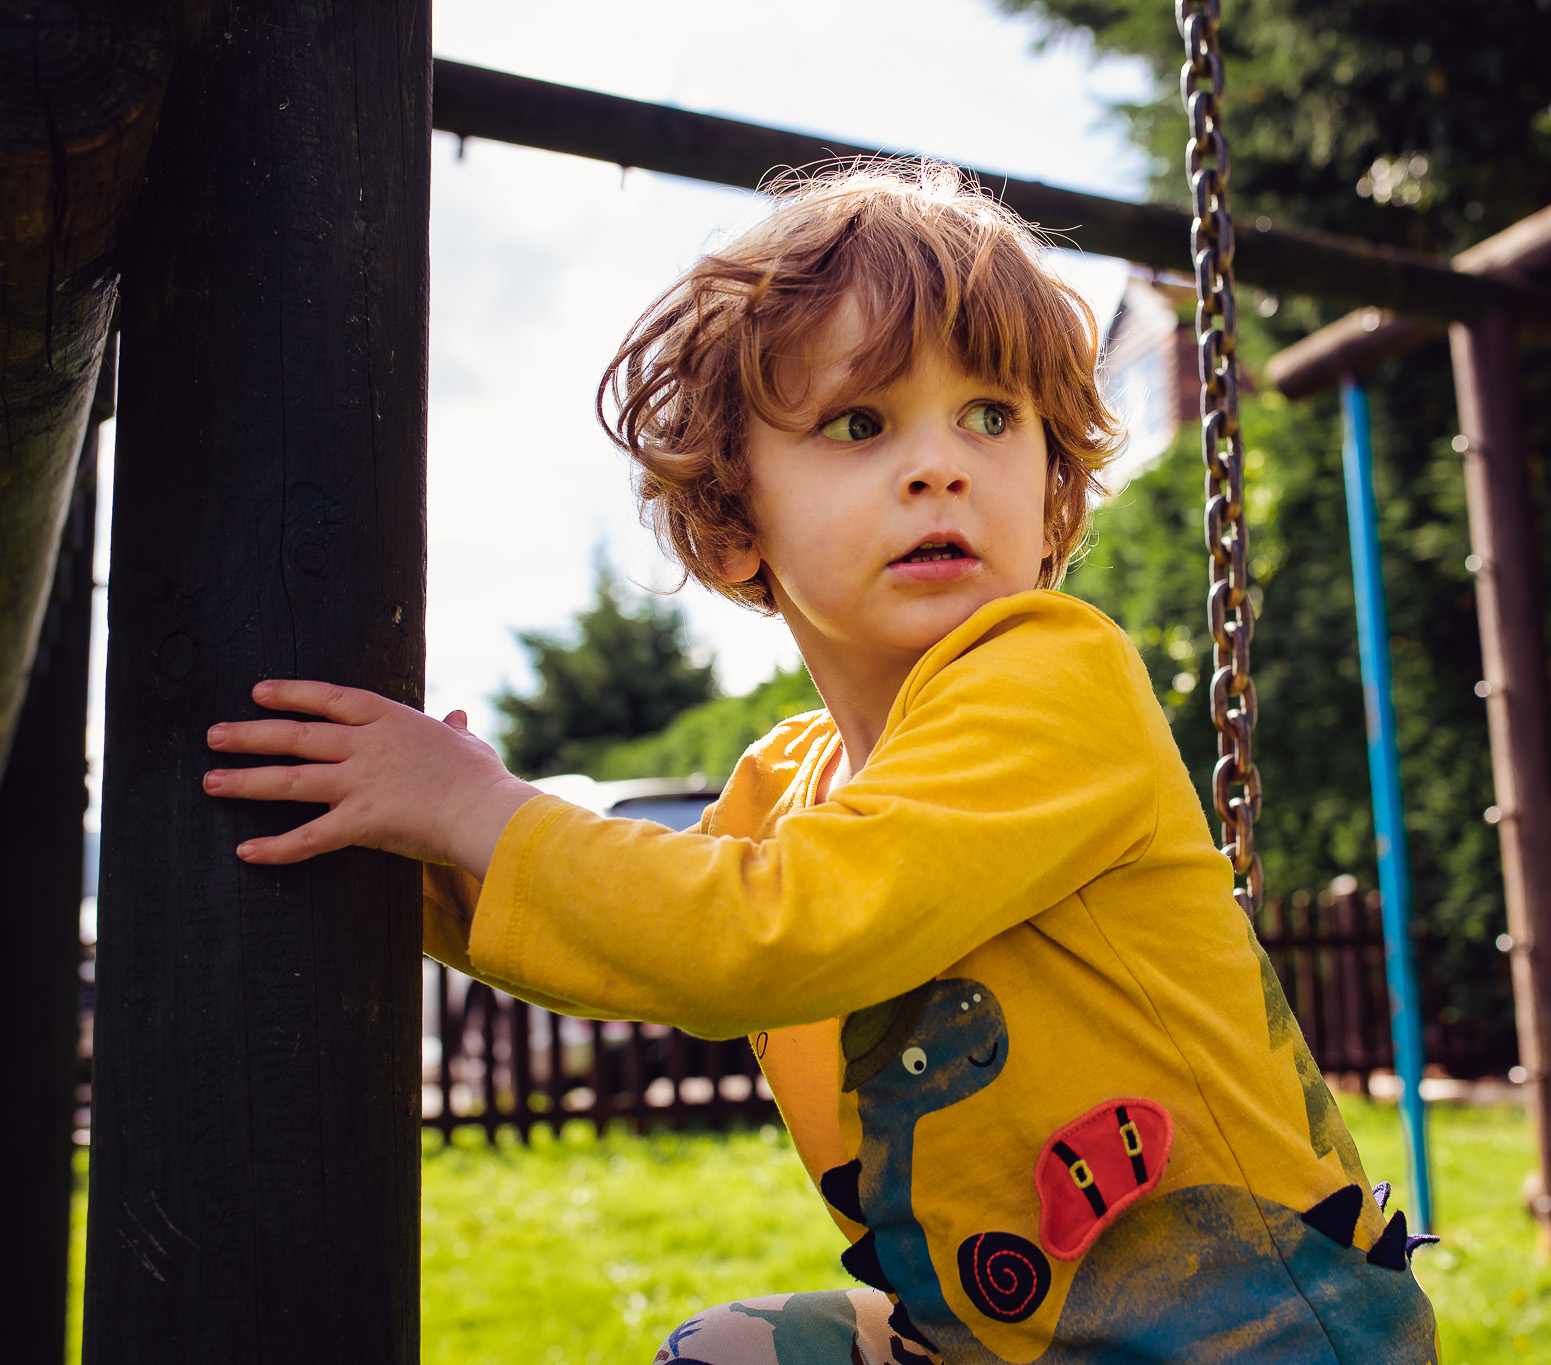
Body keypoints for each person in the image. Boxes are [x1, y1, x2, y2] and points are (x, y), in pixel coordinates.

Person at [204, 161, 1441, 1365]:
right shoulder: (784, 781)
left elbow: (766, 935)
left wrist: (483, 812)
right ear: (737, 521)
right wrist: (417, 849)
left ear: (1053, 483)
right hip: (1002, 1331)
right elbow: (664, 942)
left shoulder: (1054, 678)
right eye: (861, 421)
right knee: (728, 1352)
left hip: (1251, 1332)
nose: (940, 461)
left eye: (991, 416)